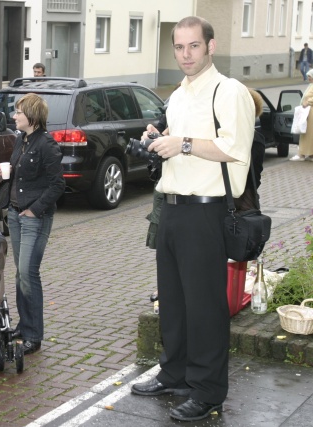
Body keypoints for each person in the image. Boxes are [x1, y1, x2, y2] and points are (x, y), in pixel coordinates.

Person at [130, 16, 255, 422]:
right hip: (172, 208)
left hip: (206, 210)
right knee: (175, 303)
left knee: (205, 307)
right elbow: (178, 143)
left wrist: (181, 143)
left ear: (210, 47)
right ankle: (175, 372)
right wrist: (159, 136)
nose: (185, 55)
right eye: (179, 47)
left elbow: (235, 148)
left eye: (193, 46)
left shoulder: (228, 91)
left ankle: (208, 391)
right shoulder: (180, 94)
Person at [0, 93, 65, 355]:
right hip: (15, 215)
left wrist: (35, 210)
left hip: (34, 217)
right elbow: (23, 172)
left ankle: (34, 335)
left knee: (28, 273)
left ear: (32, 117)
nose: (14, 116)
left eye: (18, 112)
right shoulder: (22, 139)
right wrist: (9, 172)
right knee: (20, 273)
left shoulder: (46, 145)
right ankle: (23, 325)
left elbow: (57, 184)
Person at [289, 69, 313, 161]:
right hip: (307, 113)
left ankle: (303, 155)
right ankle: (308, 154)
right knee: (305, 133)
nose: (308, 78)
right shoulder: (310, 85)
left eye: (309, 76)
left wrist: (308, 102)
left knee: (308, 134)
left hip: (311, 113)